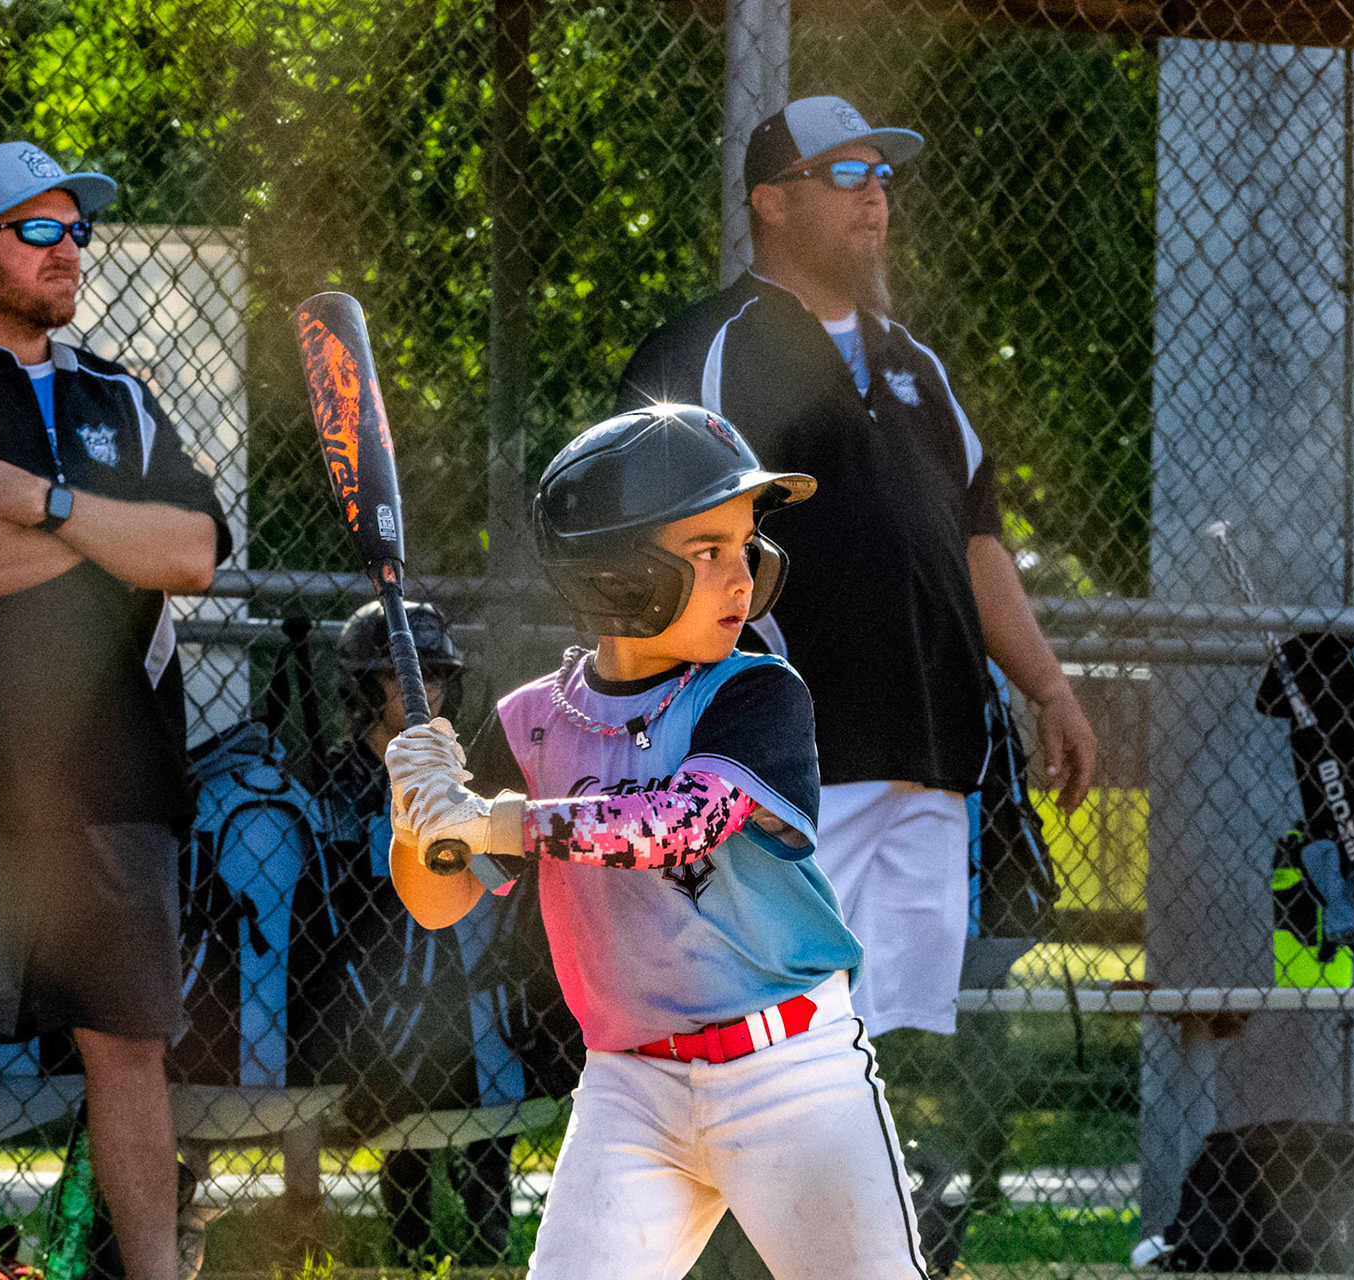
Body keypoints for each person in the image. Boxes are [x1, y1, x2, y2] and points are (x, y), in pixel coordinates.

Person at [384, 404, 927, 1280]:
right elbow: (436, 898)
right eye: (706, 550)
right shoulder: (530, 723)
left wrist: (497, 818)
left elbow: (682, 825)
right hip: (630, 1090)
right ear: (613, 575)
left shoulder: (756, 696)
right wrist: (419, 813)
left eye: (746, 545)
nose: (741, 577)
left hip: (791, 1076)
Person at [615, 95, 1097, 1039]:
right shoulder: (709, 348)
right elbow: (643, 545)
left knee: (881, 1043)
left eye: (882, 174)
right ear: (771, 201)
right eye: (842, 174)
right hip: (790, 762)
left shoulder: (915, 362)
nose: (873, 196)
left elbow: (976, 541)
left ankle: (862, 1191)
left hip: (929, 756)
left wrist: (1050, 689)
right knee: (773, 1036)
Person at [0, 141, 229, 1280]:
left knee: (129, 1052)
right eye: (38, 230)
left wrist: (44, 504)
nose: (68, 251)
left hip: (120, 788)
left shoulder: (122, 396)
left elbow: (189, 551)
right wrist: (104, 535)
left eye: (77, 230)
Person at [307, 600, 579, 1265]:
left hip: (475, 985)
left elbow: (497, 880)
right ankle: (410, 1241)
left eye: (432, 674)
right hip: (376, 994)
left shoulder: (468, 777)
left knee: (482, 1024)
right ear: (359, 687)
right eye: (398, 676)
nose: (420, 688)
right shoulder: (334, 784)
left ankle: (488, 1225)